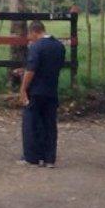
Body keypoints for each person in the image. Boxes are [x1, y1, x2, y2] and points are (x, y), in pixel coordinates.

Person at [18, 20, 66, 167]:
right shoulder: (59, 46)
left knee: (31, 123)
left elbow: (31, 70)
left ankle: (31, 157)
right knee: (49, 124)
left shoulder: (36, 47)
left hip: (36, 91)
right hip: (51, 90)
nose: (29, 38)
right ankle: (49, 158)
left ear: (34, 32)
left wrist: (23, 89)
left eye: (30, 35)